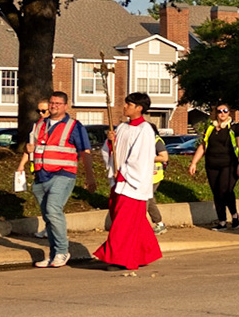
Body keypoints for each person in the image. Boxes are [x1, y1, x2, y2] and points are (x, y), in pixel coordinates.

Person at [20, 90, 95, 268]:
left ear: (65, 106)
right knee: (48, 217)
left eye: (57, 104)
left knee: (53, 210)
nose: (53, 106)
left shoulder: (73, 126)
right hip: (41, 176)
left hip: (63, 174)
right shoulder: (39, 125)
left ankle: (62, 251)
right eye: (52, 103)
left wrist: (90, 176)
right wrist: (26, 151)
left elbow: (85, 152)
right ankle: (54, 254)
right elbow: (31, 147)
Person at [94, 93, 163, 270]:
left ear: (139, 108)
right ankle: (145, 253)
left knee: (123, 224)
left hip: (133, 184)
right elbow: (111, 151)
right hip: (120, 182)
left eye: (128, 104)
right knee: (134, 223)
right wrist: (111, 143)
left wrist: (124, 173)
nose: (125, 107)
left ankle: (120, 258)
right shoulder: (123, 127)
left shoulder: (145, 130)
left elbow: (141, 157)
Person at [188, 104, 239, 229]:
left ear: (229, 113)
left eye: (225, 111)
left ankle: (234, 216)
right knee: (217, 193)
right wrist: (194, 163)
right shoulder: (210, 128)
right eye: (219, 111)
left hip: (229, 164)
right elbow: (203, 146)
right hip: (212, 165)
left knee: (224, 191)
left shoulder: (235, 127)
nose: (222, 113)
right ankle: (222, 221)